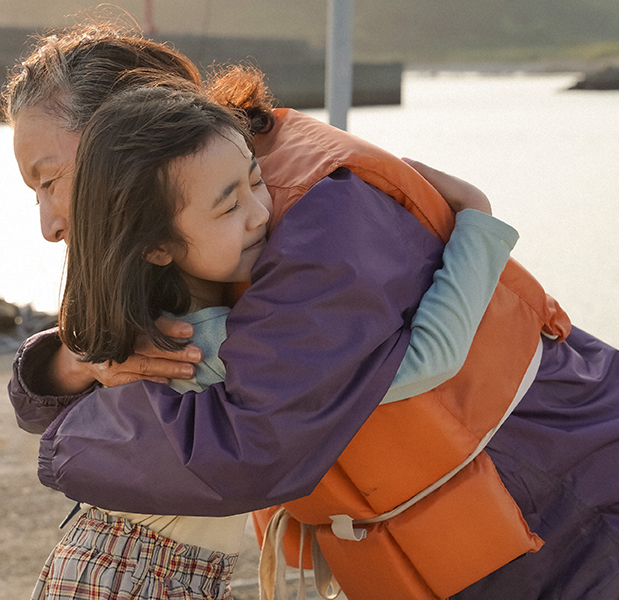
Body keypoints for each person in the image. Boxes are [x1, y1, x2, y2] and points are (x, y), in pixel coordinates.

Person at [3, 25, 619, 600]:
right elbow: (103, 355)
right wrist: (64, 365)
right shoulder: (199, 215)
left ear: (128, 130)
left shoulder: (313, 222)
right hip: (492, 546)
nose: (50, 223)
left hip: (587, 511)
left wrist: (65, 439)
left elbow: (243, 449)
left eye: (50, 180)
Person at [35, 82, 518, 600]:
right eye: (228, 208)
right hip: (143, 579)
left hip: (99, 563)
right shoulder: (213, 347)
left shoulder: (141, 318)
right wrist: (476, 220)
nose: (261, 212)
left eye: (257, 180)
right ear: (156, 245)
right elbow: (428, 359)